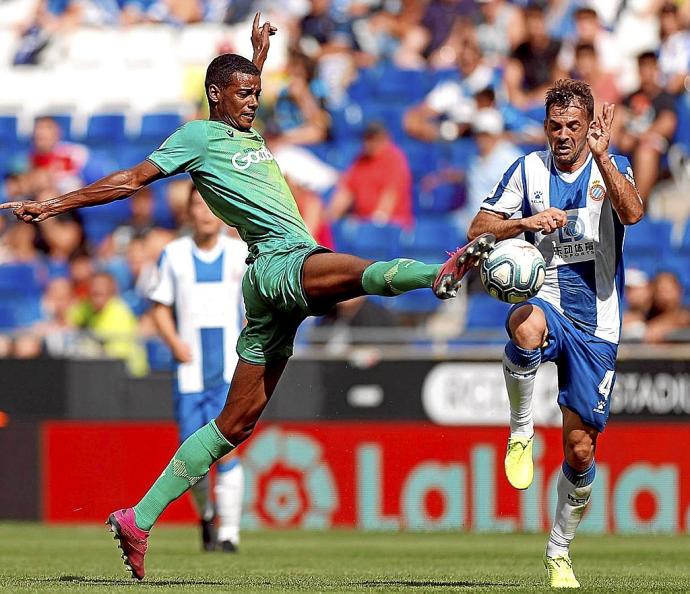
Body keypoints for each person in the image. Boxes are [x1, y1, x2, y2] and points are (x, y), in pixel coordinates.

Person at [1, 13, 494, 581]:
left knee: (235, 425)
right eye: (243, 94)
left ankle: (138, 519)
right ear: (216, 96)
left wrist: (256, 57)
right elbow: (130, 181)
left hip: (266, 293)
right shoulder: (197, 137)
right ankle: (439, 273)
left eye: (256, 93)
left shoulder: (244, 129)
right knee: (359, 272)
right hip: (278, 262)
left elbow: (241, 91)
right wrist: (52, 205)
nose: (253, 102)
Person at [467, 79, 643, 588]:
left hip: (599, 325)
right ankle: (521, 427)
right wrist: (523, 223)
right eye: (554, 126)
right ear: (544, 128)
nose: (562, 135)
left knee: (581, 451)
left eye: (572, 126)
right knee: (524, 322)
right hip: (547, 300)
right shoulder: (527, 169)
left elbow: (633, 212)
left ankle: (559, 550)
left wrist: (605, 158)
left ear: (589, 127)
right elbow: (478, 227)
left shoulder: (611, 167)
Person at [149, 186, 247, 552]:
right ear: (188, 211)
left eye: (210, 205)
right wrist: (174, 342)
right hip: (190, 376)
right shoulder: (173, 255)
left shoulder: (240, 254)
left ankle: (230, 534)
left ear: (221, 210)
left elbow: (254, 309)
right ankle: (207, 516)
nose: (205, 212)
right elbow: (158, 307)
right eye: (197, 205)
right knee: (193, 459)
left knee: (229, 450)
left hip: (229, 372)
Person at [616, 51, 677, 204]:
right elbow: (619, 125)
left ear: (657, 69)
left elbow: (668, 123)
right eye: (643, 68)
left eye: (650, 68)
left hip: (655, 146)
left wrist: (642, 135)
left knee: (646, 151)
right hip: (631, 142)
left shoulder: (664, 97)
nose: (646, 73)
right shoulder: (630, 97)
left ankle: (638, 205)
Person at [327, 122, 414, 229]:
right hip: (363, 222)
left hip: (391, 225)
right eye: (367, 138)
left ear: (384, 138)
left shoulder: (394, 158)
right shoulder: (360, 160)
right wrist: (329, 218)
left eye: (373, 138)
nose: (369, 143)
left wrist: (375, 224)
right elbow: (346, 191)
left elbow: (390, 195)